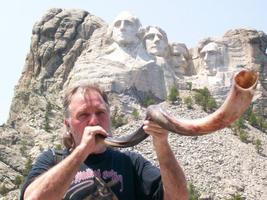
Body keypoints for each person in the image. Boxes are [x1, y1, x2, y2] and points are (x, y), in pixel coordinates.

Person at [20, 83, 189, 200]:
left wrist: (161, 142)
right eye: (83, 115)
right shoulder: (52, 160)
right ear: (68, 125)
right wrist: (81, 152)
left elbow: (179, 197)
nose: (94, 121)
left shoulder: (131, 162)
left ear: (109, 117)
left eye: (100, 112)